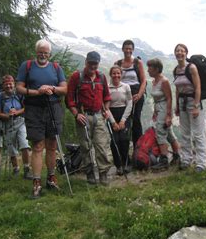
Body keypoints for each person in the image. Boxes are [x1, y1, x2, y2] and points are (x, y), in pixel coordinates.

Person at [16, 39, 67, 198]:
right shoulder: (27, 66)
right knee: (38, 146)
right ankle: (36, 183)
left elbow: (64, 88)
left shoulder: (56, 67)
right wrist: (37, 92)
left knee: (52, 145)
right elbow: (19, 87)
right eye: (40, 52)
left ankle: (51, 178)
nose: (43, 55)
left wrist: (52, 88)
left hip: (54, 108)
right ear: (36, 52)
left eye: (45, 52)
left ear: (49, 54)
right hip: (34, 109)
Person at [67, 51, 112, 185]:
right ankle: (90, 174)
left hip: (99, 115)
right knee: (85, 147)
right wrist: (76, 114)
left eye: (95, 64)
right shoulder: (77, 77)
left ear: (98, 63)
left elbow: (107, 97)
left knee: (101, 145)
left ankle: (103, 174)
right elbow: (69, 100)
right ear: (86, 62)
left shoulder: (102, 77)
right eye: (91, 63)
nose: (93, 66)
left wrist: (107, 109)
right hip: (83, 115)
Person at [173, 44, 206, 172]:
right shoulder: (176, 69)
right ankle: (186, 159)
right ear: (175, 53)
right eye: (177, 51)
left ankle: (201, 163)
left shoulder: (191, 67)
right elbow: (177, 89)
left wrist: (196, 106)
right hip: (182, 102)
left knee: (198, 134)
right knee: (185, 133)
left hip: (193, 101)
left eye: (182, 51)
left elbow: (197, 87)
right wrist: (177, 105)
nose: (179, 53)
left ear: (186, 53)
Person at [147, 58, 180, 170]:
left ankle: (164, 159)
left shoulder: (164, 81)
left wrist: (168, 115)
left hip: (164, 108)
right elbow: (157, 98)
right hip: (159, 108)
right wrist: (155, 111)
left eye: (150, 68)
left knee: (160, 132)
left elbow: (169, 98)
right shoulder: (154, 81)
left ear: (156, 69)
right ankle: (177, 155)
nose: (148, 70)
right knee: (169, 133)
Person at [0, 75, 31, 179]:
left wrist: (16, 112)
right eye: (6, 84)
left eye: (10, 83)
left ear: (14, 84)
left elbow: (25, 108)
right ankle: (16, 169)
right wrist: (7, 115)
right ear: (3, 85)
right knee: (11, 148)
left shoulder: (19, 94)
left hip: (20, 121)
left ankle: (27, 169)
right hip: (7, 124)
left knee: (24, 144)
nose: (8, 85)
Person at [115, 40, 147, 147]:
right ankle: (124, 149)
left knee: (136, 120)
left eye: (130, 48)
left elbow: (143, 81)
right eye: (126, 48)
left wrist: (139, 94)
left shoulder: (138, 63)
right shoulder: (118, 64)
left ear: (133, 50)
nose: (128, 50)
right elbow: (115, 80)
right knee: (124, 120)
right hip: (123, 95)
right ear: (122, 49)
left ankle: (138, 149)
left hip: (136, 94)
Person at [107, 65, 133, 175]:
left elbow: (130, 102)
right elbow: (106, 107)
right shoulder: (107, 88)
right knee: (114, 141)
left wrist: (123, 120)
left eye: (118, 73)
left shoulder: (126, 87)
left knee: (124, 139)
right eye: (114, 73)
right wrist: (113, 122)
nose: (116, 75)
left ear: (121, 74)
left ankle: (126, 163)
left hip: (124, 114)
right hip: (112, 114)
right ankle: (118, 166)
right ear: (110, 74)